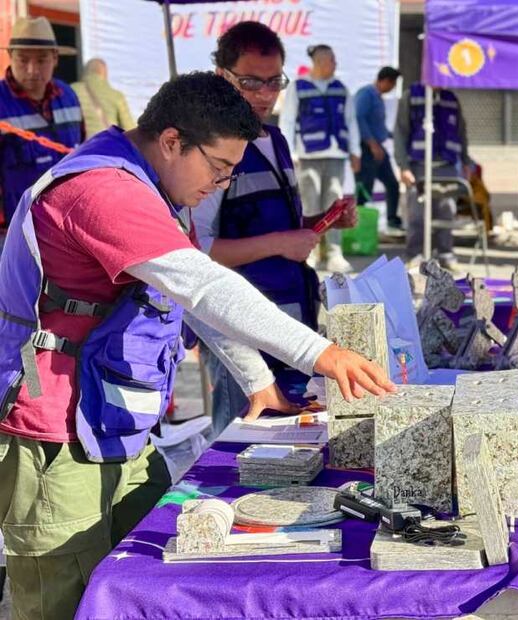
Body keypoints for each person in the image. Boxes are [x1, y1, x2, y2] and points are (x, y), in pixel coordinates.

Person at [0, 71, 392, 620]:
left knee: (144, 582)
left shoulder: (154, 181)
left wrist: (258, 381)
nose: (222, 186)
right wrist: (322, 354)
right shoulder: (104, 190)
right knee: (61, 601)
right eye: (219, 169)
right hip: (55, 438)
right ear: (171, 141)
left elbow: (186, 291)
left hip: (115, 425)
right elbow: (204, 284)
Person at [194, 22, 357, 437]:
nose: (265, 94)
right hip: (238, 331)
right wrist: (282, 242)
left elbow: (280, 226)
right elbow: (196, 252)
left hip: (290, 321)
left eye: (274, 82)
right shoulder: (210, 147)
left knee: (285, 441)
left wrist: (321, 220)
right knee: (242, 438)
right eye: (250, 82)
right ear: (222, 77)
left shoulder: (276, 138)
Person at [0, 17, 83, 242]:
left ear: (55, 58)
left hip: (65, 226)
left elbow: (80, 156)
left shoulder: (69, 97)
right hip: (14, 232)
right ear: (10, 57)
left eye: (41, 60)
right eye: (23, 60)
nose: (32, 70)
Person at [279, 43, 359, 273]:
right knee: (310, 205)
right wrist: (289, 153)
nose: (335, 65)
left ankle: (335, 254)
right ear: (320, 62)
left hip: (336, 156)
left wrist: (355, 151)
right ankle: (310, 253)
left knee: (334, 205)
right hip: (307, 156)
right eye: (332, 60)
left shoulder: (341, 88)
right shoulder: (299, 87)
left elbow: (350, 121)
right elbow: (288, 120)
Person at [394, 83, 474, 270]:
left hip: (446, 165)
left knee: (447, 209)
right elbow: (400, 132)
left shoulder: (451, 99)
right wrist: (403, 166)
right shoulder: (410, 97)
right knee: (418, 213)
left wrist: (465, 160)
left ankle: (446, 253)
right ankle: (414, 254)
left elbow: (461, 132)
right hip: (418, 166)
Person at [354, 66, 403, 232]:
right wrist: (372, 143)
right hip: (366, 148)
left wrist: (392, 135)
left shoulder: (379, 98)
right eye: (393, 84)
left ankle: (392, 220)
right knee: (364, 187)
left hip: (379, 148)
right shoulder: (366, 94)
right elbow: (358, 118)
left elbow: (377, 126)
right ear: (385, 81)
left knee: (392, 184)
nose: (392, 88)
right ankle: (357, 226)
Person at [71, 58, 135, 138]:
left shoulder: (71, 90)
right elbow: (129, 129)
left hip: (79, 147)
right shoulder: (116, 96)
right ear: (105, 74)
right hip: (106, 146)